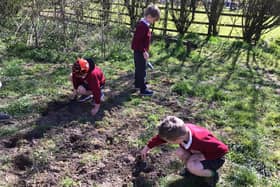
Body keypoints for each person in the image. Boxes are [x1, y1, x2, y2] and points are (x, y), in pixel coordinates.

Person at [141, 116, 229, 187]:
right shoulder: (180, 131)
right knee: (180, 152)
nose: (166, 142)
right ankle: (192, 169)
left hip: (215, 157)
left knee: (192, 166)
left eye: (168, 141)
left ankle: (212, 175)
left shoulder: (201, 140)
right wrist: (147, 147)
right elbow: (161, 137)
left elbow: (223, 150)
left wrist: (204, 156)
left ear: (179, 139)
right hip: (198, 152)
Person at [131, 4, 160, 96]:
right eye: (154, 19)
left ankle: (137, 84)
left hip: (139, 51)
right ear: (149, 16)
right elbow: (137, 41)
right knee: (142, 70)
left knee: (139, 69)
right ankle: (143, 89)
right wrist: (144, 51)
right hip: (139, 51)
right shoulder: (143, 26)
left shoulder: (143, 25)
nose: (153, 21)